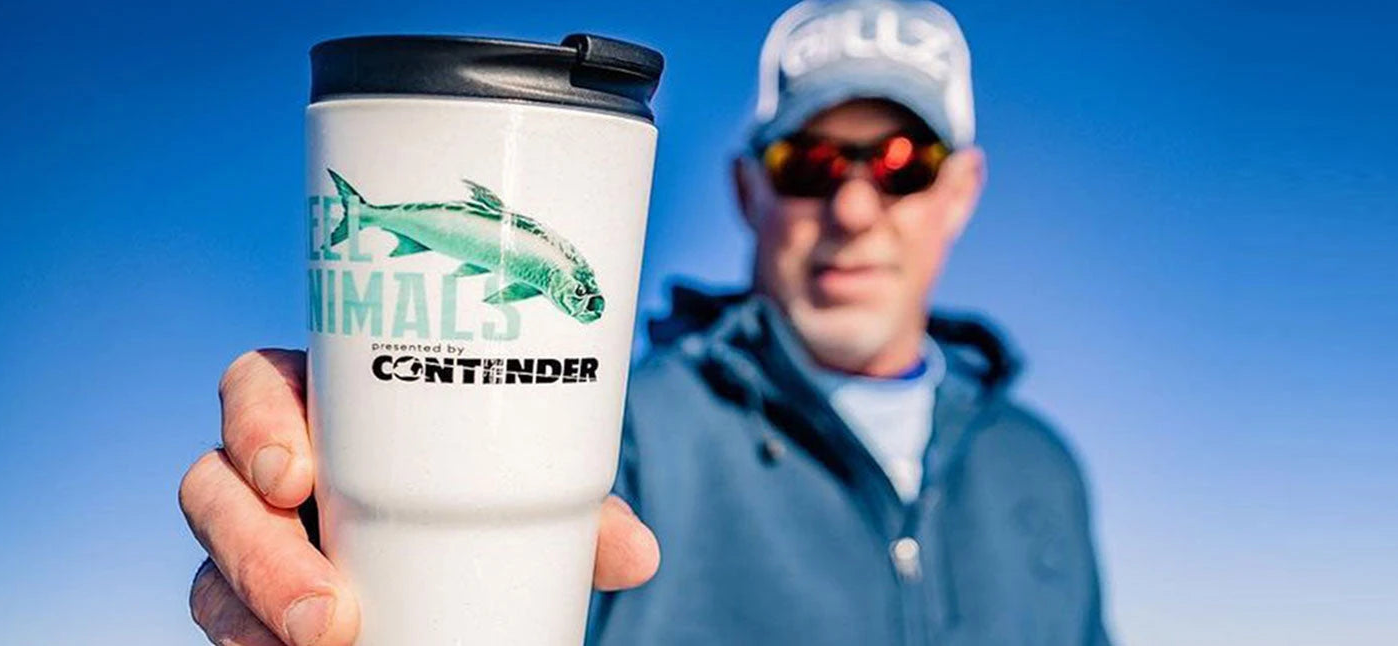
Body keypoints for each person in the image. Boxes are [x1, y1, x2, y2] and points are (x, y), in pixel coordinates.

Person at [178, 1, 1112, 644]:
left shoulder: (1042, 467)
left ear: (960, 192)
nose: (856, 210)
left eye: (902, 163)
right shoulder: (611, 432)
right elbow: (483, 433)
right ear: (748, 188)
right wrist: (335, 505)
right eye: (809, 163)